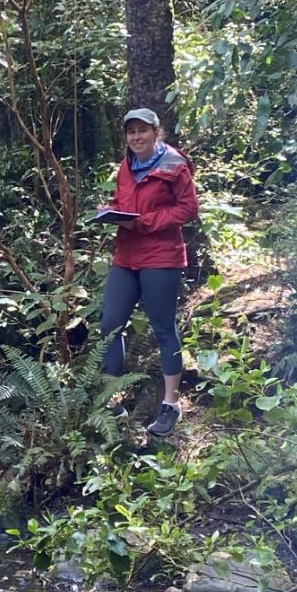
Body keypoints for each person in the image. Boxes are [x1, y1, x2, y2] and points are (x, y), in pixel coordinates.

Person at [99, 107, 199, 436]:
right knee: (110, 323)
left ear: (157, 132)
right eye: (131, 132)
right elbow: (124, 201)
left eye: (143, 131)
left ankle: (171, 405)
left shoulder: (173, 164)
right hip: (126, 254)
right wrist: (110, 210)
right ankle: (113, 400)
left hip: (161, 254)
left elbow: (188, 208)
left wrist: (144, 223)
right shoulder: (126, 167)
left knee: (163, 328)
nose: (136, 137)